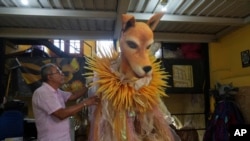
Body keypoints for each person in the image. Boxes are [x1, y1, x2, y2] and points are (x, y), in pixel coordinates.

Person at [32, 63, 99, 141]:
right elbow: (61, 114)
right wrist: (85, 103)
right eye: (58, 72)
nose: (62, 74)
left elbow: (73, 96)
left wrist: (88, 86)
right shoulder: (43, 92)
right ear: (49, 77)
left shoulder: (56, 91)